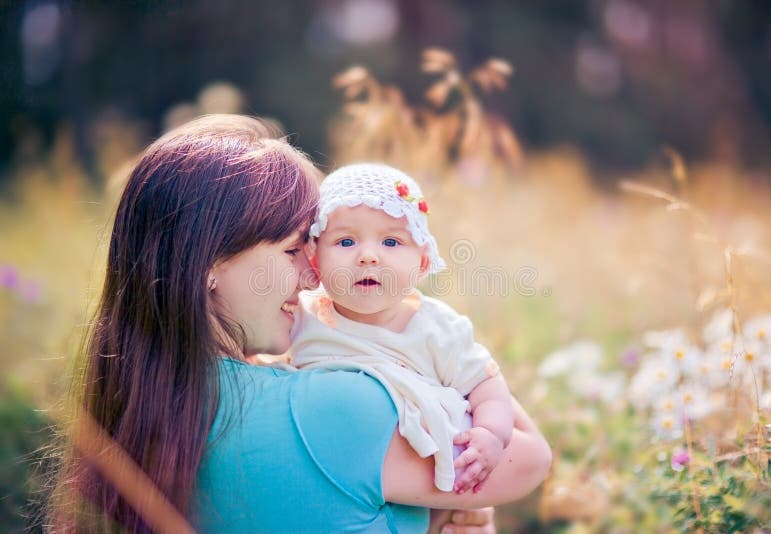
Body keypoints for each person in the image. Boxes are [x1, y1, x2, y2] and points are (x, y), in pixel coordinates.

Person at [47, 114, 551, 533]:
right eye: (294, 250)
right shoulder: (338, 407)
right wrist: (429, 332)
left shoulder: (138, 410)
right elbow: (530, 458)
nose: (315, 277)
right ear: (209, 266)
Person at [290, 163, 513, 494]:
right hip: (335, 473)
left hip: (428, 481)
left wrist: (491, 434)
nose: (368, 256)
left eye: (391, 242)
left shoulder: (438, 329)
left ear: (422, 262)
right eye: (346, 241)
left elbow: (487, 386)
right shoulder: (303, 317)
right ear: (315, 259)